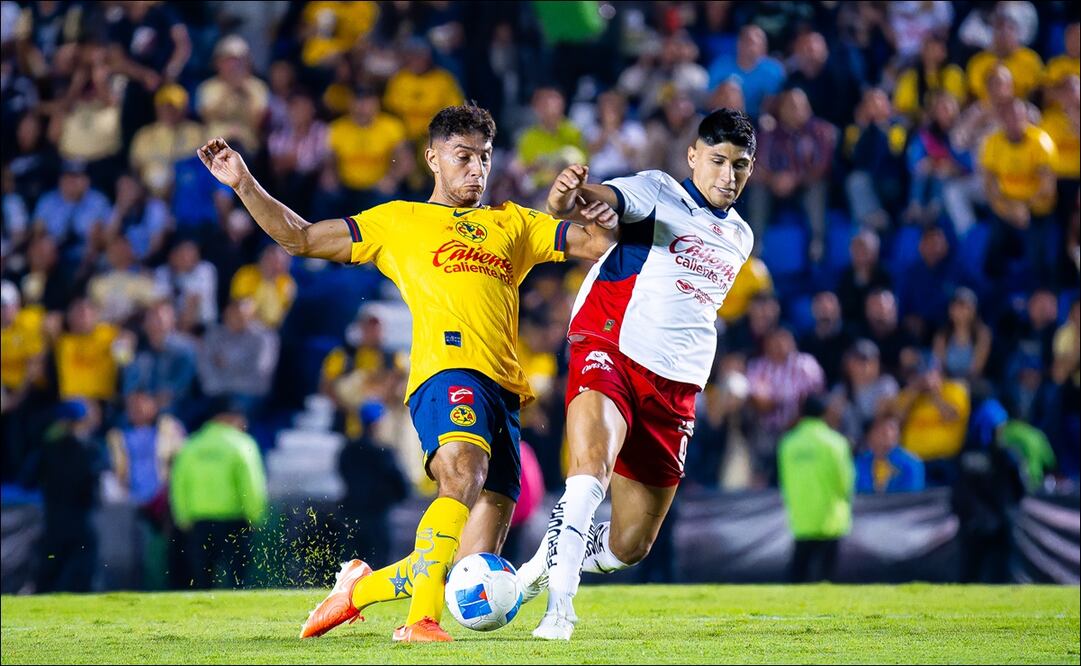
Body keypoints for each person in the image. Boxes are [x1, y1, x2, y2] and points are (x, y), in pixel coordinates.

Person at [197, 103, 618, 642]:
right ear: (432, 159)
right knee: (461, 472)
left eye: (485, 157)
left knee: (468, 566)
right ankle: (420, 622)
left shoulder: (512, 223)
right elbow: (300, 237)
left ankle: (358, 590)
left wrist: (588, 207)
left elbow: (599, 246)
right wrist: (243, 183)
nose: (476, 168)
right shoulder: (398, 221)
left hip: (504, 392)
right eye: (462, 156)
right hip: (446, 372)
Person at [514, 108, 757, 640]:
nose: (727, 175)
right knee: (590, 471)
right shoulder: (657, 191)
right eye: (717, 160)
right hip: (611, 347)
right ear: (693, 156)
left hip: (677, 388)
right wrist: (570, 196)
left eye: (739, 165)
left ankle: (540, 565)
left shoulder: (741, 237)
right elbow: (600, 202)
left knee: (631, 545)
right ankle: (560, 609)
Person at [169, 398, 268, 589]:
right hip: (235, 521)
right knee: (237, 581)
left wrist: (182, 517)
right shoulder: (242, 444)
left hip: (198, 523)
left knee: (202, 581)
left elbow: (178, 484)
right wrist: (256, 516)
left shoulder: (191, 445)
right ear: (230, 418)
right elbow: (251, 485)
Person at [777, 396, 854, 583]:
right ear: (825, 413)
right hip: (831, 519)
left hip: (801, 519)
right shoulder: (836, 443)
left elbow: (784, 480)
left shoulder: (787, 443)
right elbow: (845, 483)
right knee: (827, 579)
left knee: (798, 575)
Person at [854, 413, 925, 494]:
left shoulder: (911, 463)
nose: (889, 433)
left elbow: (912, 496)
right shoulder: (860, 462)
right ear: (869, 435)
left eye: (893, 428)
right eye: (880, 429)